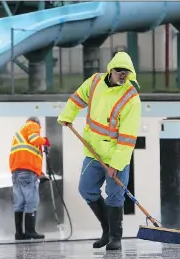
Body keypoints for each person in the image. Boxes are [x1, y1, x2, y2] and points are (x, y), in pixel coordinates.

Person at [57, 52, 141, 250]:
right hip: (93, 151)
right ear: (111, 69)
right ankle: (106, 229)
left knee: (114, 196)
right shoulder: (94, 82)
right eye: (120, 71)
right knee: (86, 189)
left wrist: (116, 164)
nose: (123, 75)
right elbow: (77, 98)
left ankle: (115, 238)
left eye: (126, 72)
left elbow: (128, 138)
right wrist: (67, 115)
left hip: (115, 156)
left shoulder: (131, 99)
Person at [9, 116, 51, 240]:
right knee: (31, 201)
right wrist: (45, 141)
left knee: (19, 203)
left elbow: (27, 155)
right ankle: (30, 231)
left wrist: (39, 172)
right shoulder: (33, 125)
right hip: (27, 173)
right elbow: (35, 139)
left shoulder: (20, 132)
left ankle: (19, 234)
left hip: (17, 173)